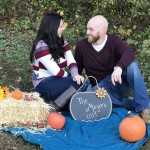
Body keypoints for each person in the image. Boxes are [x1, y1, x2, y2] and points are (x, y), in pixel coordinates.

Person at [74, 15, 150, 124]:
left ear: (103, 30)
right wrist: (76, 76)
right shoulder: (82, 46)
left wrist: (118, 67)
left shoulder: (113, 41)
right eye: (87, 28)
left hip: (119, 83)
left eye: (91, 29)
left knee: (132, 65)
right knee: (92, 96)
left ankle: (144, 108)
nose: (87, 32)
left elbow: (129, 52)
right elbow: (76, 69)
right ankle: (136, 103)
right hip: (101, 89)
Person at [29, 12, 86, 111]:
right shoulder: (41, 46)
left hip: (57, 80)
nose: (63, 28)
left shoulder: (62, 41)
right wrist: (72, 77)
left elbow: (71, 61)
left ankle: (62, 105)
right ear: (52, 27)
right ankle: (54, 106)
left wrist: (75, 74)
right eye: (61, 26)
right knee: (80, 84)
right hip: (43, 84)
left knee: (81, 82)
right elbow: (57, 72)